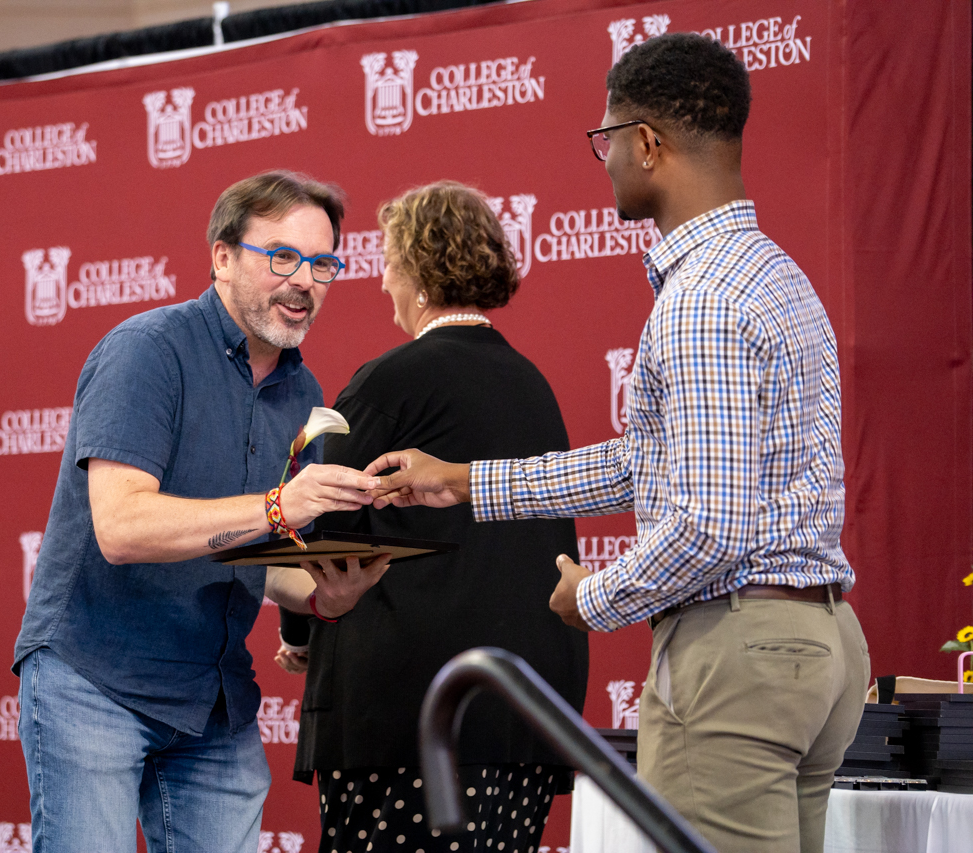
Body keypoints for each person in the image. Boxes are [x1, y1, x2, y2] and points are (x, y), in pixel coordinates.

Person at [367, 34, 869, 853]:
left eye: (606, 139)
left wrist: (590, 601)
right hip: (816, 644)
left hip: (738, 650)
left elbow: (708, 523)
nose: (601, 160)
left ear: (648, 143)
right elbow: (647, 462)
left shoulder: (702, 300)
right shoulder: (772, 273)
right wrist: (463, 481)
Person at [13, 171, 391, 853]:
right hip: (95, 680)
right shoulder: (147, 350)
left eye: (323, 263)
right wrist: (279, 506)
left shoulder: (301, 387)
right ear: (222, 256)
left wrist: (326, 592)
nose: (304, 280)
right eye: (281, 255)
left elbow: (241, 552)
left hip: (214, 701)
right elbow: (122, 528)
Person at [276, 180, 588, 853]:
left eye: (389, 260)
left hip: (411, 721)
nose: (383, 279)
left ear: (416, 273)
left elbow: (320, 530)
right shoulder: (535, 387)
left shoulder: (388, 382)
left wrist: (300, 627)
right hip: (528, 719)